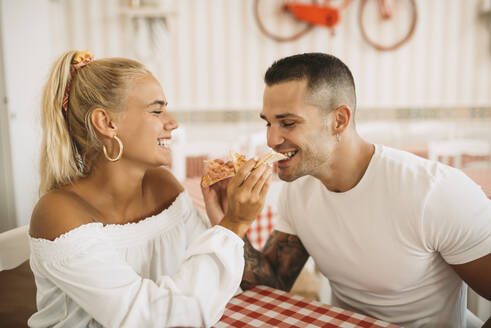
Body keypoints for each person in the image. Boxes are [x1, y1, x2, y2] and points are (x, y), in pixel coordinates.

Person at [237, 53, 491, 327]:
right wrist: (231, 224)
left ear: (339, 120)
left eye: (288, 123)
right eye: (268, 122)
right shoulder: (298, 189)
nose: (271, 139)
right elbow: (271, 289)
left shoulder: (436, 192)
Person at [28, 50, 272, 328]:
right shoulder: (57, 213)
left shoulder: (162, 184)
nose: (173, 123)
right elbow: (152, 317)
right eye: (157, 110)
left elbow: (208, 286)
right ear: (107, 123)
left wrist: (220, 220)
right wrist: (233, 225)